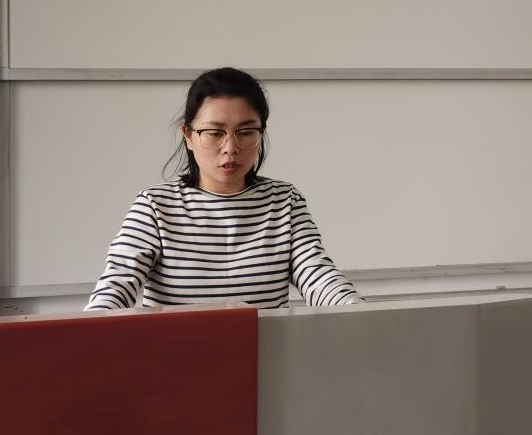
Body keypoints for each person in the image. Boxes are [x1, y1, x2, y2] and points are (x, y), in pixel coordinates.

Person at [85, 67, 360, 310]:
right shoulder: (156, 205)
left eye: (246, 132)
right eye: (215, 133)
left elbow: (318, 276)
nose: (230, 148)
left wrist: (359, 313)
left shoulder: (284, 201)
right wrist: (90, 329)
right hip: (176, 353)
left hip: (264, 352)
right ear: (188, 136)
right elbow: (117, 285)